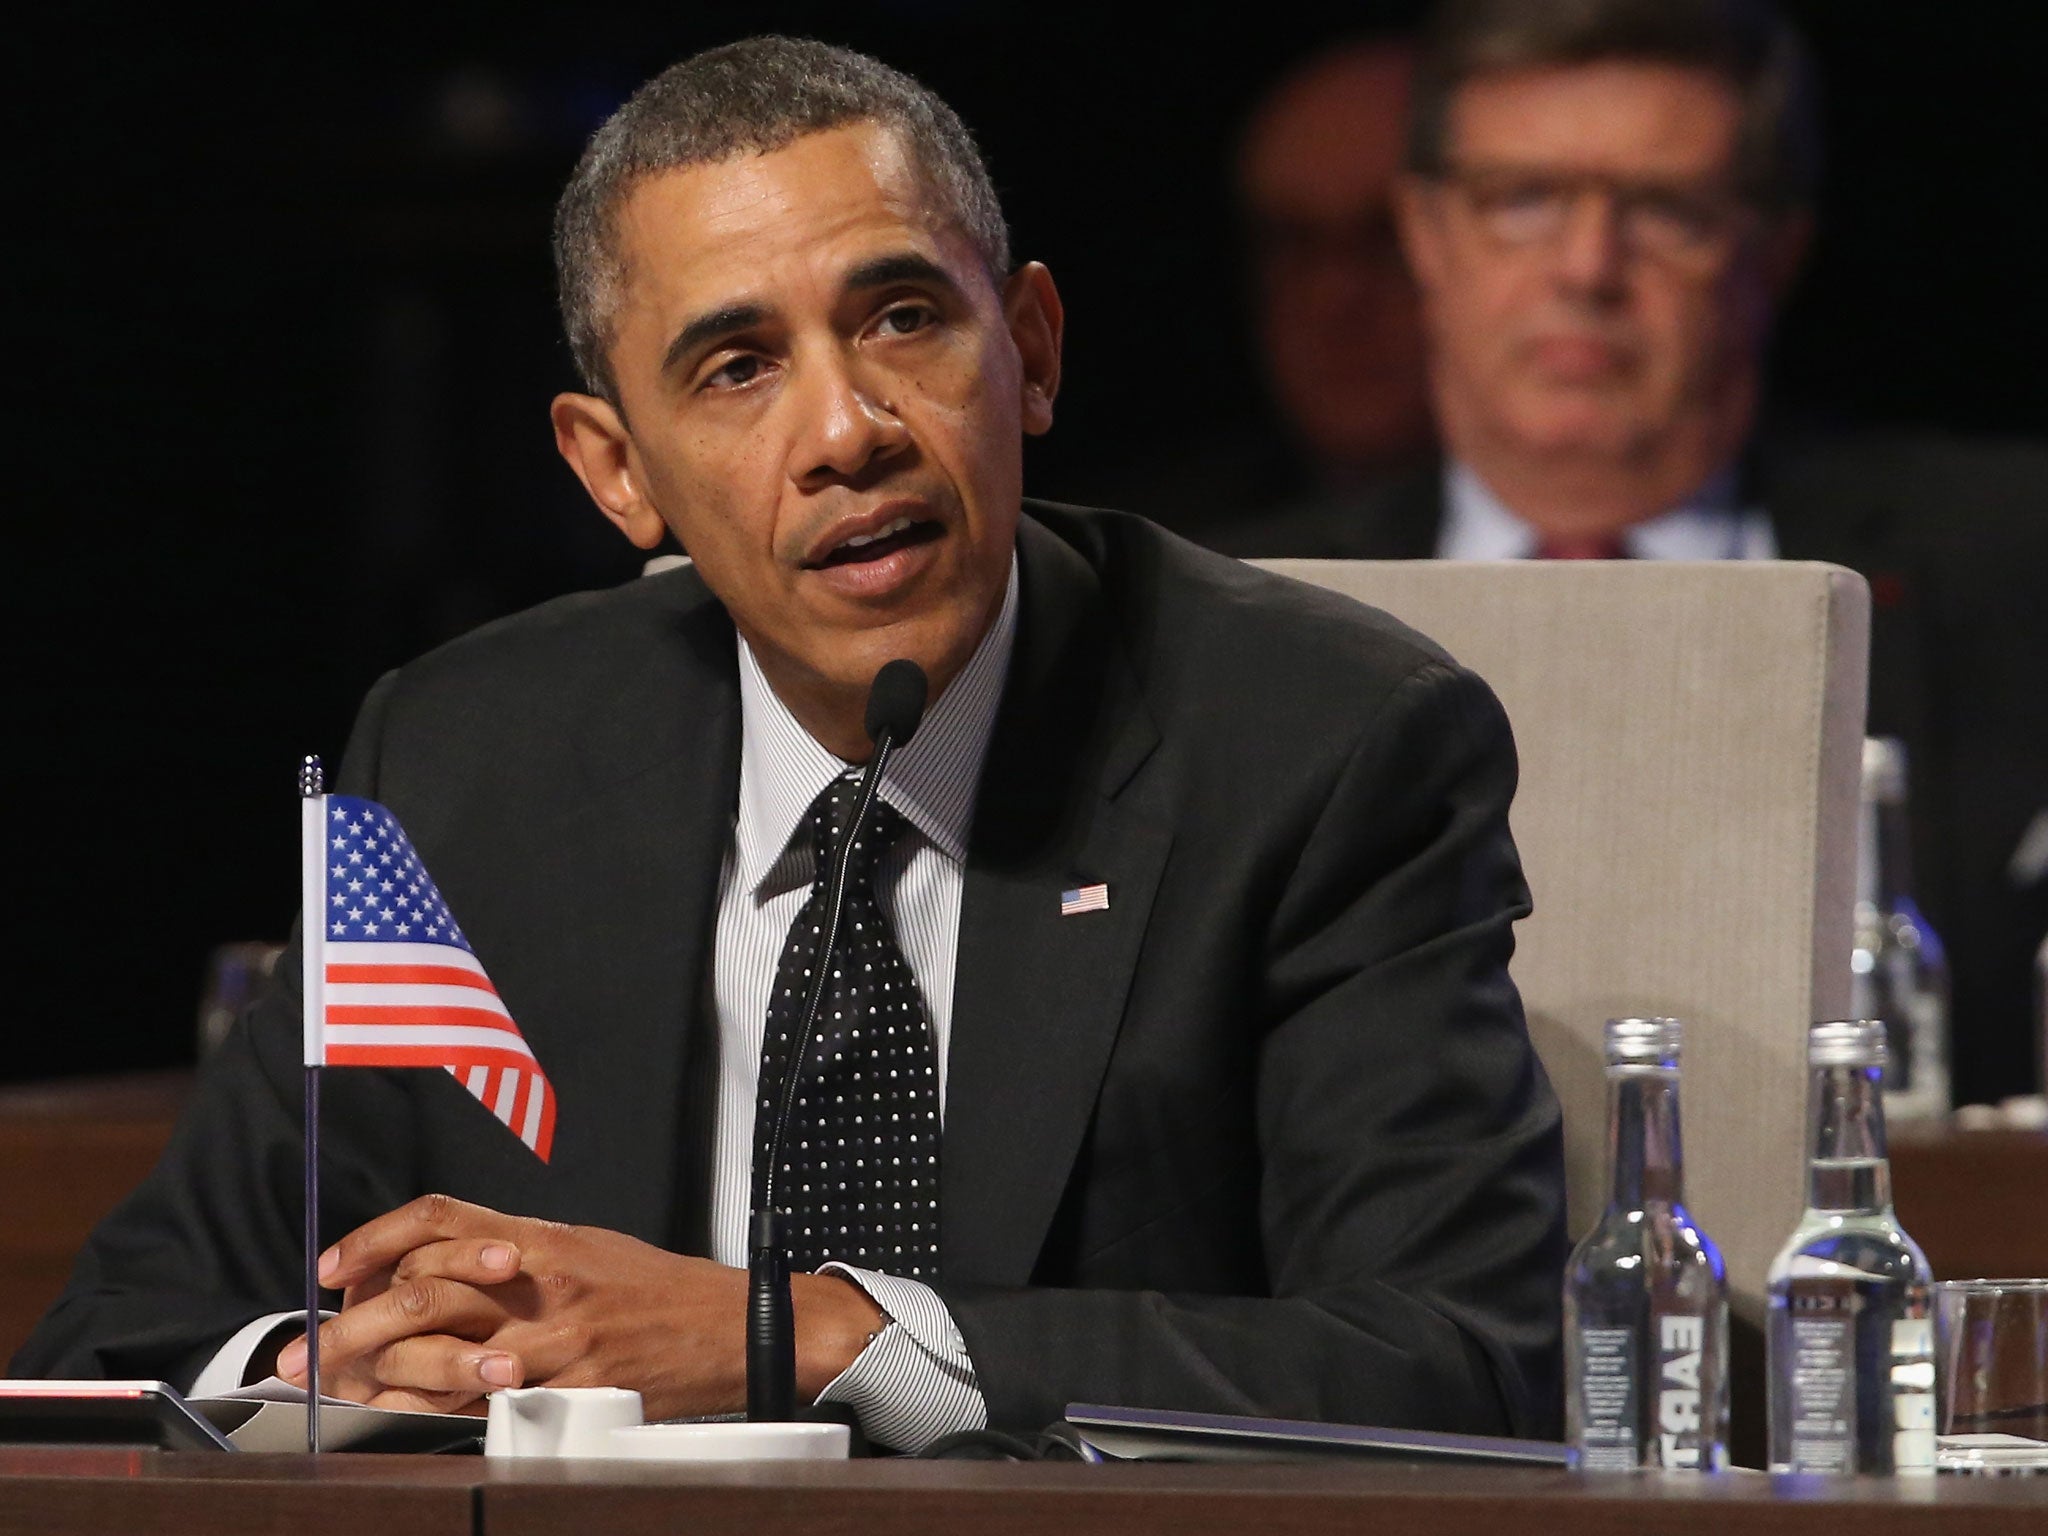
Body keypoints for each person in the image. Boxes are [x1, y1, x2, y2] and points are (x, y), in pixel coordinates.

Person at [14, 38, 1566, 1449]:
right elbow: (129, 1339)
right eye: (738, 366)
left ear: (1028, 348)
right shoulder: (463, 762)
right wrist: (336, 1364)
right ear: (615, 469)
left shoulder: (1321, 749)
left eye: (904, 318)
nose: (846, 432)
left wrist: (798, 1332)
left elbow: (1461, 1361)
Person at [1234, 0, 2048, 1103]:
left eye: (1663, 209)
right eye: (1521, 200)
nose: (1586, 267)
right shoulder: (1240, 608)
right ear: (1423, 233)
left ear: (1775, 249)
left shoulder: (2007, 562)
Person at [1095, 39, 1435, 546]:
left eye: (1387, 239)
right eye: (1291, 245)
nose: (1333, 299)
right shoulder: (1145, 560)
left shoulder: (1580, 543)